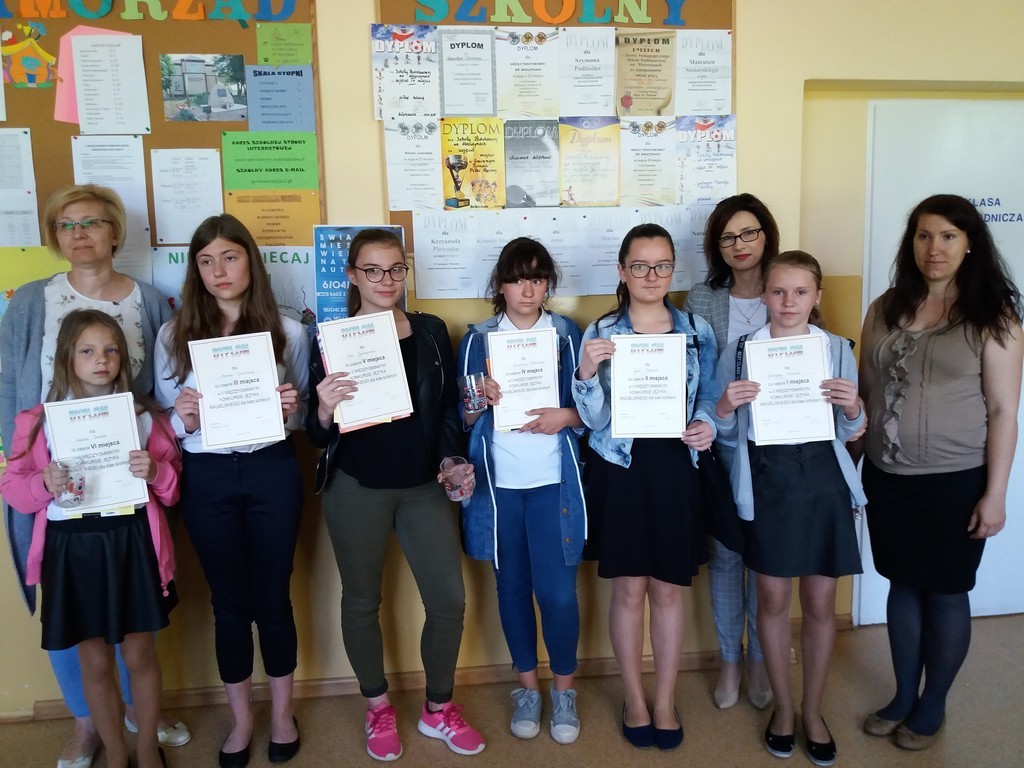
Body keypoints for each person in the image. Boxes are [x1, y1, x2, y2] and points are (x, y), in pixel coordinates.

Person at [0, 184, 188, 768]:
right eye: (67, 224)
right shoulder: (31, 303)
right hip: (60, 503)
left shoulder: (150, 303)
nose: (79, 233)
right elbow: (8, 387)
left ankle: (141, 730)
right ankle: (91, 727)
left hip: (131, 509)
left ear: (114, 232)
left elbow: (167, 388)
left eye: (92, 222)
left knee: (137, 645)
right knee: (79, 635)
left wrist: (157, 464)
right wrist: (30, 467)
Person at [307, 228, 485, 762]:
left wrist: (451, 458)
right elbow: (316, 433)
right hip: (355, 488)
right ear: (352, 275)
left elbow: (449, 409)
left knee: (448, 601)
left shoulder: (431, 331)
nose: (386, 281)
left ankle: (438, 708)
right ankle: (377, 706)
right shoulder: (331, 337)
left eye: (395, 269)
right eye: (372, 270)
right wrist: (323, 408)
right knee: (362, 600)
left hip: (422, 487)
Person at [858, 194, 1023, 751]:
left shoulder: (993, 316)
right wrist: (848, 467)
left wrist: (995, 495)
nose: (935, 248)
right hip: (887, 476)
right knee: (901, 584)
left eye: (949, 236)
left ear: (970, 243)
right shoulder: (885, 307)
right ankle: (904, 694)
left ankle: (933, 704)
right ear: (912, 243)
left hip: (955, 482)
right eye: (924, 236)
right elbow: (865, 394)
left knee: (947, 592)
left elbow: (1004, 411)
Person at [154, 215, 307, 768]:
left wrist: (290, 409)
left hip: (271, 471)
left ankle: (283, 714)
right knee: (229, 606)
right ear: (195, 270)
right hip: (209, 477)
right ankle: (242, 721)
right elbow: (166, 423)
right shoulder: (174, 335)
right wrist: (184, 418)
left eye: (230, 256)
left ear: (250, 262)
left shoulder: (289, 332)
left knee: (274, 598)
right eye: (206, 261)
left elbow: (304, 414)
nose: (218, 270)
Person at [713, 251, 866, 767]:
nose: (788, 302)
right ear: (764, 295)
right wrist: (725, 407)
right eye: (778, 291)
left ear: (817, 296)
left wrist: (853, 407)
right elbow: (725, 434)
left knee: (820, 604)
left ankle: (813, 711)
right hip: (768, 482)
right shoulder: (740, 352)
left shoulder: (836, 349)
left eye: (801, 292)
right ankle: (783, 708)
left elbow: (851, 430)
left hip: (823, 481)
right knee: (773, 598)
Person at [572, 223, 718, 751]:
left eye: (662, 266)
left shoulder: (697, 330)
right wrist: (587, 372)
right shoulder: (601, 331)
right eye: (640, 265)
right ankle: (635, 698)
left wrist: (706, 423)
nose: (651, 276)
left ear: (673, 269)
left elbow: (710, 395)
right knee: (630, 588)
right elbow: (593, 419)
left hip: (676, 466)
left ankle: (664, 699)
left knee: (668, 589)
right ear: (622, 271)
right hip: (621, 467)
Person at [458, 238, 586, 744]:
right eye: (517, 279)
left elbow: (591, 409)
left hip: (554, 482)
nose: (527, 289)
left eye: (537, 278)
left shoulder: (566, 334)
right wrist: (480, 399)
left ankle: (565, 692)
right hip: (500, 487)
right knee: (511, 590)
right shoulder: (478, 339)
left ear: (548, 284)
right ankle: (528, 689)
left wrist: (566, 416)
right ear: (501, 285)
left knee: (557, 594)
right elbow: (465, 417)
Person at [683, 193, 779, 710]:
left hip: (776, 449)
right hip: (720, 445)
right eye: (727, 237)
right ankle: (729, 660)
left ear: (766, 234)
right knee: (725, 558)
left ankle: (761, 659)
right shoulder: (701, 299)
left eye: (749, 233)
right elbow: (690, 373)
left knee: (767, 561)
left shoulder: (787, 287)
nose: (739, 244)